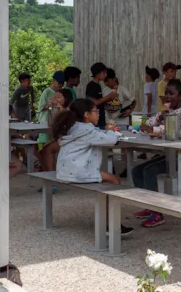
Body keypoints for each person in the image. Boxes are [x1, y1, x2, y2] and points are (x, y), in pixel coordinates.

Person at [52, 98, 133, 236]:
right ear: (86, 115)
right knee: (115, 181)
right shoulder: (88, 131)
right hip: (78, 171)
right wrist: (111, 130)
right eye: (96, 111)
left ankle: (110, 222)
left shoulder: (72, 128)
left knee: (109, 179)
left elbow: (99, 137)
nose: (98, 114)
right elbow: (110, 140)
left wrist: (106, 131)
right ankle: (112, 225)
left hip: (64, 171)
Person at [132, 79, 181, 227]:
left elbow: (177, 130)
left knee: (149, 171)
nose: (168, 96)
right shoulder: (166, 112)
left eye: (172, 93)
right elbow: (147, 124)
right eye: (166, 93)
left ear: (180, 96)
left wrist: (155, 129)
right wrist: (159, 117)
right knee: (136, 171)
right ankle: (149, 204)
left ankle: (157, 213)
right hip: (169, 155)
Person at [37, 71, 65, 144]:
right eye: (59, 83)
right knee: (44, 143)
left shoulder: (62, 93)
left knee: (54, 142)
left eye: (62, 83)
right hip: (45, 122)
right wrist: (50, 105)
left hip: (55, 122)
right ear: (53, 81)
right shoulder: (46, 92)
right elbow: (40, 107)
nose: (61, 85)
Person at [86, 63, 116, 129]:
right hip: (95, 121)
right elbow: (95, 102)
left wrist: (110, 99)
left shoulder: (98, 85)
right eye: (104, 73)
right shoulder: (91, 86)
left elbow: (100, 101)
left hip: (101, 119)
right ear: (98, 73)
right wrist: (109, 95)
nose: (106, 75)